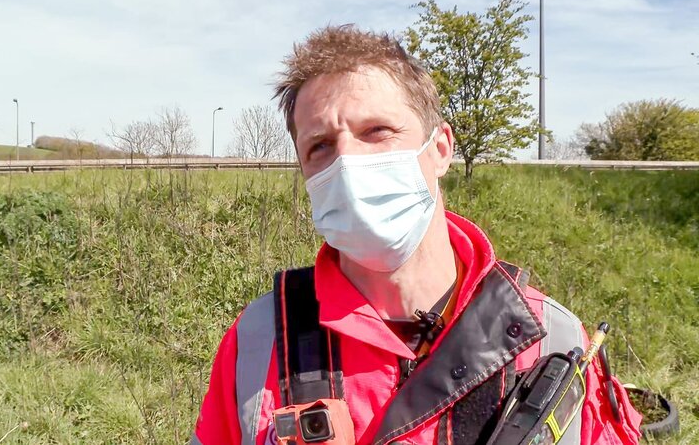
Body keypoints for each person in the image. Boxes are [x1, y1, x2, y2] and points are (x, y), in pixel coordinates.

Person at [192, 25, 641, 445]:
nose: (347, 162)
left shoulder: (551, 341)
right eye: (320, 146)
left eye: (376, 131)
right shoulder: (257, 340)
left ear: (440, 149)